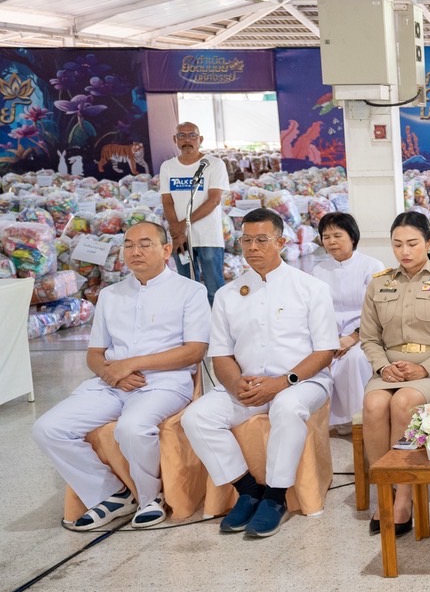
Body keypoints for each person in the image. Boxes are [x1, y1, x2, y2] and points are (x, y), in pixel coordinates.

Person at [31, 221, 210, 530]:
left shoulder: (190, 291)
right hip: (112, 384)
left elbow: (194, 351)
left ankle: (149, 497)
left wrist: (131, 364)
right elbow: (95, 353)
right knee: (48, 428)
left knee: (132, 427)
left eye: (144, 244)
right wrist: (112, 373)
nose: (134, 251)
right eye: (128, 245)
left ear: (166, 250)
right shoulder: (112, 294)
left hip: (165, 383)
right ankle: (112, 494)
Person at [181, 209, 337, 539]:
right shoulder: (226, 295)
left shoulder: (310, 288)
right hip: (248, 386)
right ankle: (249, 489)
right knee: (196, 417)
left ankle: (276, 496)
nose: (253, 247)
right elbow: (221, 354)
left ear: (281, 242)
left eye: (262, 239)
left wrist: (283, 382)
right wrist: (235, 384)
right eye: (246, 240)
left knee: (287, 406)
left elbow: (325, 351)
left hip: (303, 381)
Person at [358, 212, 430, 535]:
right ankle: (384, 493)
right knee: (374, 405)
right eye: (397, 245)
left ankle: (403, 497)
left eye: (412, 244)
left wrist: (425, 367)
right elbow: (369, 337)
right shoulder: (380, 283)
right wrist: (383, 367)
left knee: (404, 403)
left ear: (429, 243)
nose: (404, 252)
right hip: (390, 370)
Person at [309, 212, 384, 434]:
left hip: (365, 334)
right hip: (329, 336)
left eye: (337, 235)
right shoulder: (319, 270)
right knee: (316, 361)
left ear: (352, 236)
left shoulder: (372, 266)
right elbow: (315, 311)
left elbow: (378, 310)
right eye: (326, 236)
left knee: (355, 360)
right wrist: (329, 341)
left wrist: (352, 338)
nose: (331, 241)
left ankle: (364, 421)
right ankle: (332, 421)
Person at [159, 121, 231, 304]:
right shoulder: (167, 166)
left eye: (192, 135)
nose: (187, 140)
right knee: (186, 289)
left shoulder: (213, 164)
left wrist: (181, 227)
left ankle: (218, 328)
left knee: (214, 289)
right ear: (175, 140)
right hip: (180, 239)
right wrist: (176, 234)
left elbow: (214, 200)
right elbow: (167, 201)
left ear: (200, 139)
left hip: (208, 237)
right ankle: (193, 328)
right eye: (181, 136)